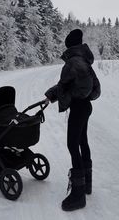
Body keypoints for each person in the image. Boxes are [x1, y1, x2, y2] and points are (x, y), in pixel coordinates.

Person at [44, 28, 100, 211]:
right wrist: (51, 96)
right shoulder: (84, 60)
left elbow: (81, 87)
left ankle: (78, 195)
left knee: (72, 145)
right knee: (82, 142)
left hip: (78, 107)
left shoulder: (73, 62)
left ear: (70, 45)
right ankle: (87, 184)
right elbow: (71, 86)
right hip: (84, 107)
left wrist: (73, 98)